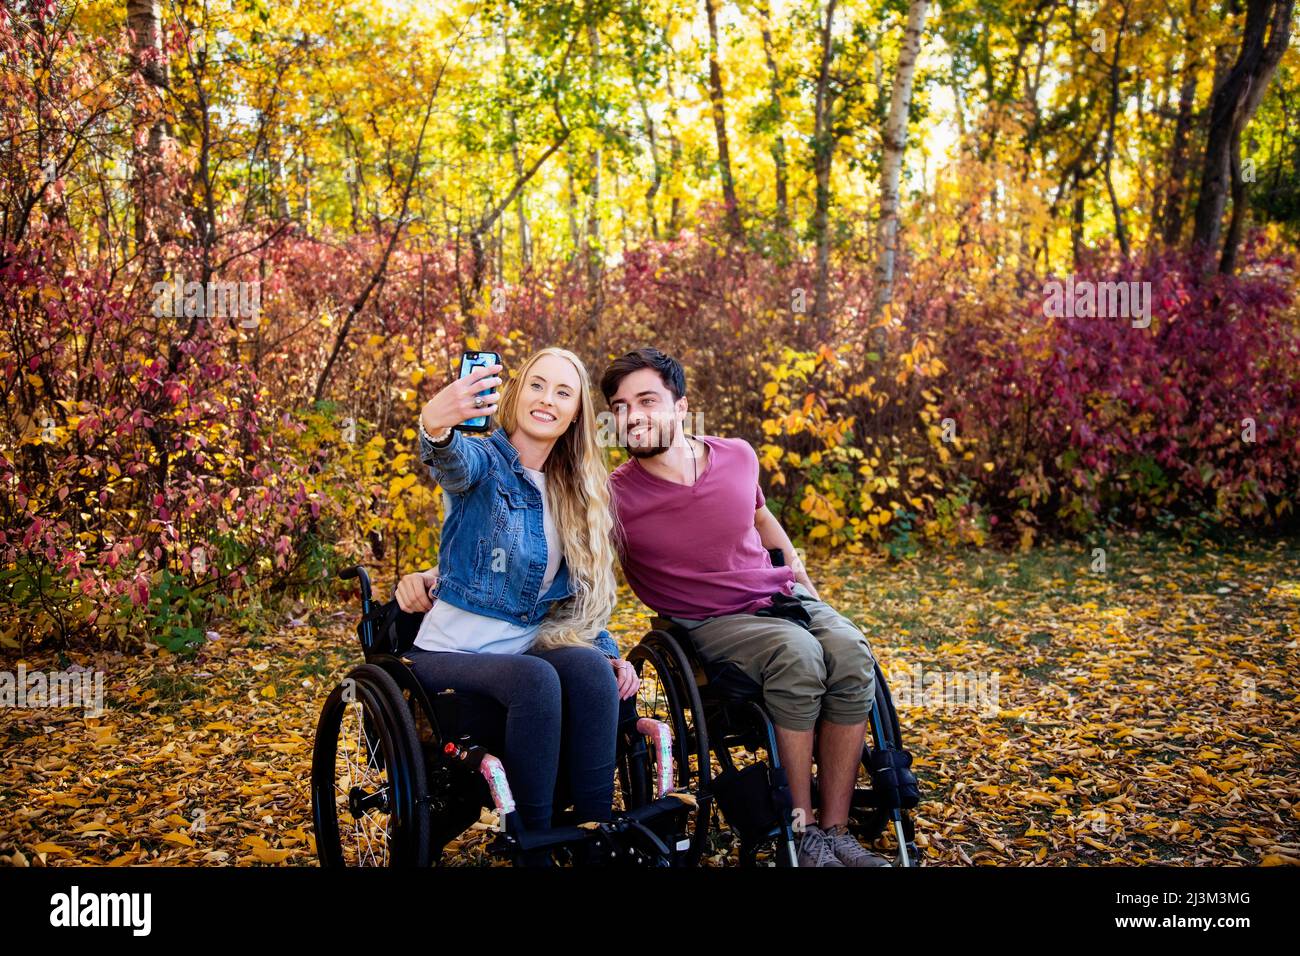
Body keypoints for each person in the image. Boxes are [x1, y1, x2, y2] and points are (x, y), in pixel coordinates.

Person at [600, 347, 891, 867]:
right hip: (709, 621)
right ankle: (801, 833)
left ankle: (837, 830)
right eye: (620, 406)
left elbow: (762, 520)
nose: (633, 415)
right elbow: (567, 553)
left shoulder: (736, 454)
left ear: (681, 406)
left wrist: (804, 582)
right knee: (798, 654)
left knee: (850, 650)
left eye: (647, 400)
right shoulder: (614, 496)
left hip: (779, 596)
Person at [396, 346, 640, 852]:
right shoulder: (485, 460)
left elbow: (573, 603)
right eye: (536, 384)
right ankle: (534, 841)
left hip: (522, 654)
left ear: (575, 413)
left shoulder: (574, 493)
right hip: (448, 655)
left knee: (592, 671)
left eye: (563, 392)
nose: (547, 399)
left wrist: (610, 654)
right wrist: (435, 424)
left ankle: (595, 836)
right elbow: (451, 463)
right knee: (536, 677)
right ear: (515, 392)